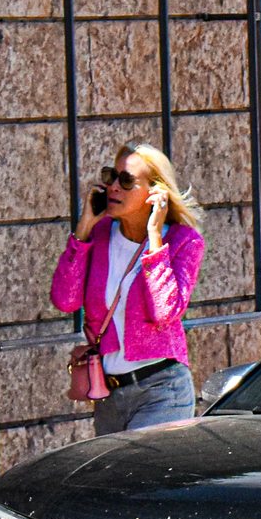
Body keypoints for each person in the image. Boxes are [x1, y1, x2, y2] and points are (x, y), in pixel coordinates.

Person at [52, 141, 206, 433]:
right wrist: (84, 228)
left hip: (162, 391)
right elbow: (65, 300)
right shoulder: (98, 236)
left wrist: (154, 240)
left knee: (146, 476)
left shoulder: (184, 242)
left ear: (155, 192)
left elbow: (165, 312)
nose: (114, 187)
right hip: (109, 393)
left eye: (126, 181)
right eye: (111, 177)